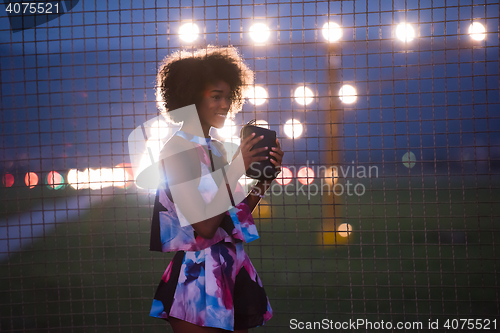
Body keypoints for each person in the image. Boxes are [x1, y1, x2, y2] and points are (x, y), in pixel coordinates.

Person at [149, 46, 284, 333]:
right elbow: (205, 225)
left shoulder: (218, 149)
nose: (225, 104)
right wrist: (237, 166)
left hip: (231, 270)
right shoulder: (176, 150)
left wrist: (264, 180)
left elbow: (231, 217)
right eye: (216, 96)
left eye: (228, 96)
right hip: (197, 281)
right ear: (191, 97)